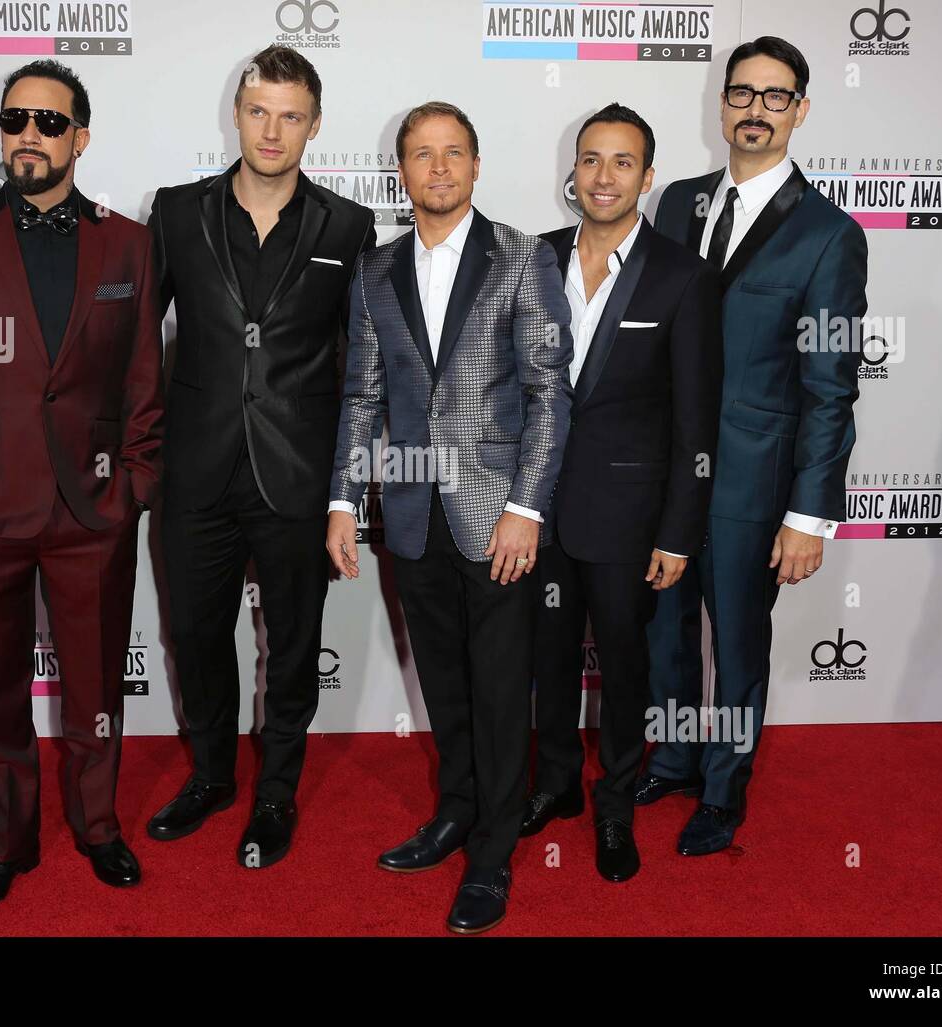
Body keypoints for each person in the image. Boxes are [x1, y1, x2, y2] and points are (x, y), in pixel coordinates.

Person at [0, 59, 164, 910]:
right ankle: (6, 843)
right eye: (16, 119)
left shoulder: (127, 242)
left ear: (81, 137)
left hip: (92, 512)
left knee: (95, 689)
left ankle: (97, 826)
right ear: (0, 130)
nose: (30, 136)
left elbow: (144, 382)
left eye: (51, 122)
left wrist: (132, 486)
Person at [326, 102, 573, 934]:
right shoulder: (375, 270)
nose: (437, 168)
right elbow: (361, 393)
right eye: (421, 155)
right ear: (401, 170)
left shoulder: (523, 255)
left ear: (475, 165)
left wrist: (525, 506)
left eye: (453, 153)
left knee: (502, 692)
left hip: (495, 515)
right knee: (446, 685)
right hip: (409, 513)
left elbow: (548, 393)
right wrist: (340, 499)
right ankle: (457, 812)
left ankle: (495, 853)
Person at [146, 45, 376, 868]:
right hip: (195, 471)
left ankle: (276, 790)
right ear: (236, 113)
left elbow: (360, 369)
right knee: (195, 634)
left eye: (290, 115)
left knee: (293, 643)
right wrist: (137, 459)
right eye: (258, 111)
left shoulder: (348, 226)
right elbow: (141, 345)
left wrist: (352, 488)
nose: (271, 130)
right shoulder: (175, 212)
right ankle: (211, 775)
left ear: (314, 124)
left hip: (298, 474)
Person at [642, 36, 868, 855]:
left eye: (777, 97)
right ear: (722, 103)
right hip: (666, 475)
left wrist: (810, 513)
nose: (756, 110)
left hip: (751, 481)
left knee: (735, 639)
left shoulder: (830, 235)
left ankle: (724, 788)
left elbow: (832, 384)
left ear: (801, 110)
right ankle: (670, 756)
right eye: (743, 93)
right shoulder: (676, 204)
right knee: (664, 629)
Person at [522, 104, 722, 882]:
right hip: (537, 511)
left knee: (627, 668)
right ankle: (556, 784)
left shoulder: (683, 276)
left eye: (623, 162)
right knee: (548, 656)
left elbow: (693, 418)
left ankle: (615, 805)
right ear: (572, 170)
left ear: (647, 174)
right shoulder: (532, 259)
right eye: (592, 160)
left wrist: (678, 532)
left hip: (631, 518)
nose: (604, 177)